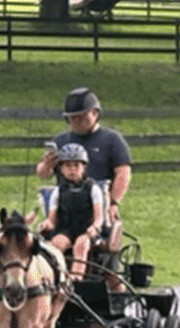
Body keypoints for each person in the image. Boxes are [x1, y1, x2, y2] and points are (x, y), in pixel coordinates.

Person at [35, 87, 132, 227]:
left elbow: (122, 173)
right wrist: (46, 165)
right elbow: (43, 174)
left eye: (81, 116)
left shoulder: (112, 140)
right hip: (65, 207)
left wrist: (113, 202)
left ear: (95, 113)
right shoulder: (60, 141)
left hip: (97, 204)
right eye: (72, 118)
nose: (76, 121)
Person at [36, 144, 105, 280]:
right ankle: (50, 276)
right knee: (55, 245)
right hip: (65, 230)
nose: (72, 170)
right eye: (68, 166)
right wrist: (46, 225)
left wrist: (95, 227)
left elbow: (99, 217)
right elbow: (52, 220)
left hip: (86, 230)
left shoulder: (92, 189)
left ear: (83, 167)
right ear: (61, 169)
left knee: (81, 244)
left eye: (76, 166)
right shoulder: (58, 191)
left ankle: (75, 278)